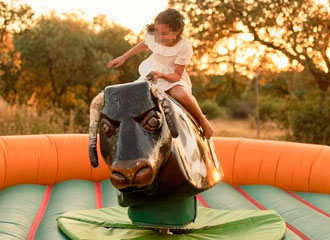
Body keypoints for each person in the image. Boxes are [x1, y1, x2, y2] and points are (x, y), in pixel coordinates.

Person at [106, 8, 213, 138]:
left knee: (181, 95)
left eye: (164, 33)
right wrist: (123, 57)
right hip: (152, 73)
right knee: (132, 94)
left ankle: (202, 120)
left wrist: (161, 75)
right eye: (157, 32)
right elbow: (144, 44)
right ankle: (124, 130)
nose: (159, 37)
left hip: (172, 78)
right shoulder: (155, 36)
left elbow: (176, 76)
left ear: (177, 31)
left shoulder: (184, 46)